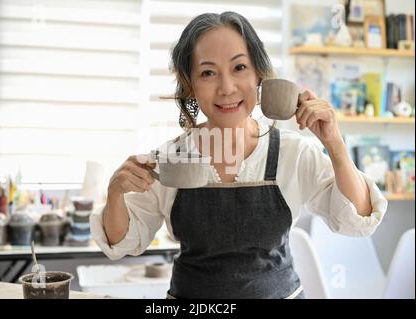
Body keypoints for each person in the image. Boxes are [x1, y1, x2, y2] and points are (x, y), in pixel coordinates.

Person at [90, 12, 387, 299]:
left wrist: (334, 142)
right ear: (190, 86)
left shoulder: (293, 152)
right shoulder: (171, 159)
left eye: (239, 68)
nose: (227, 88)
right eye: (208, 73)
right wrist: (116, 194)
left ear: (258, 74)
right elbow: (122, 242)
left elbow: (358, 220)